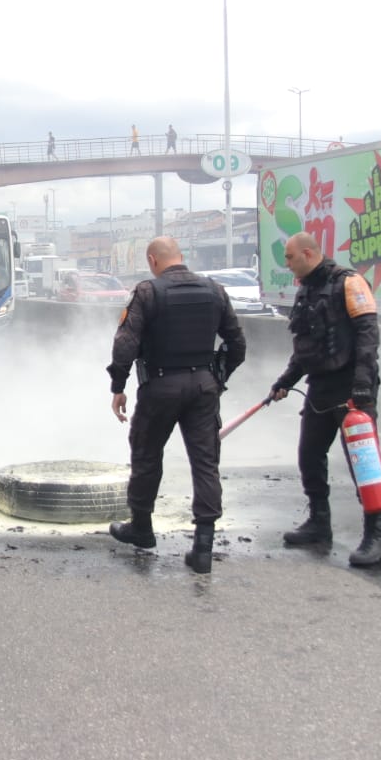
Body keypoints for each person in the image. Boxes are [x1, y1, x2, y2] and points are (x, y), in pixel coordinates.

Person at [106, 236, 245, 573]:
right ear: (181, 257)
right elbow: (237, 342)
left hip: (160, 386)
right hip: (203, 387)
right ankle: (203, 547)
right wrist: (218, 378)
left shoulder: (147, 292)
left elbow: (126, 343)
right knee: (205, 462)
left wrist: (118, 386)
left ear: (152, 260)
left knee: (146, 455)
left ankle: (142, 528)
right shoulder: (214, 291)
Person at [268, 232, 381, 567]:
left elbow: (368, 339)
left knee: (363, 464)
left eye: (290, 257)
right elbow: (304, 348)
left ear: (308, 253)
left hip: (352, 389)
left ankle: (376, 536)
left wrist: (362, 387)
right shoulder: (306, 290)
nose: (287, 263)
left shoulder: (350, 283)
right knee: (309, 455)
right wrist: (286, 381)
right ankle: (319, 523)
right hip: (320, 387)